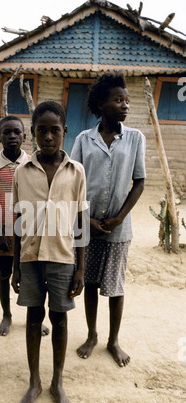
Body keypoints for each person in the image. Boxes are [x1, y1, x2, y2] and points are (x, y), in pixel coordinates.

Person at [12, 101, 87, 403]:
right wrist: (15, 265)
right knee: (32, 317)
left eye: (54, 130)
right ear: (33, 133)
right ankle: (34, 382)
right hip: (29, 258)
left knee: (59, 318)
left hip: (62, 258)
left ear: (64, 132)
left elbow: (81, 222)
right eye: (41, 130)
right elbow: (17, 220)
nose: (48, 136)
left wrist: (81, 268)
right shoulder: (22, 171)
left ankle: (57, 382)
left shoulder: (76, 171)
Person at [71, 72, 146, 367]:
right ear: (102, 104)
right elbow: (73, 180)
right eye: (118, 100)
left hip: (118, 229)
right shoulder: (83, 139)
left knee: (115, 287)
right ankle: (92, 335)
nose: (125, 105)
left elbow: (139, 181)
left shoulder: (135, 138)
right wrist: (86, 218)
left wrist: (119, 217)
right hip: (87, 227)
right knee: (89, 282)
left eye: (127, 100)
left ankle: (114, 340)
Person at [0, 116, 49, 337]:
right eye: (7, 132)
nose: (12, 136)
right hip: (3, 233)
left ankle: (35, 318)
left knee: (32, 275)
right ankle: (6, 314)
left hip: (28, 234)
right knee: (4, 274)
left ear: (25, 136)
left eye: (16, 132)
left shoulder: (32, 162)